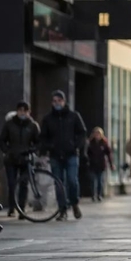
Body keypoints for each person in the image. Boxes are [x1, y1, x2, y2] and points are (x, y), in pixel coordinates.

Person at [40, 90, 87, 221]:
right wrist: (49, 147)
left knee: (72, 180)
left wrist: (76, 146)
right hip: (55, 155)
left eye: (59, 101)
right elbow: (43, 137)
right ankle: (62, 209)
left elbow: (82, 133)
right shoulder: (48, 119)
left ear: (64, 101)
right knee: (59, 183)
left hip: (71, 154)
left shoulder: (74, 116)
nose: (57, 103)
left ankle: (74, 203)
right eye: (54, 101)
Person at [0, 101, 40, 217]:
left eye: (25, 110)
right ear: (17, 111)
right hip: (11, 159)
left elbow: (38, 142)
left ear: (28, 112)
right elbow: (1, 140)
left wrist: (32, 150)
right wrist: (7, 151)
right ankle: (12, 207)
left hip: (26, 158)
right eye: (20, 110)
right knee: (12, 184)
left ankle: (21, 208)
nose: (22, 113)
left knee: (24, 184)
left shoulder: (32, 125)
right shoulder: (9, 124)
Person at [87, 127, 115, 202]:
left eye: (98, 134)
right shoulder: (90, 143)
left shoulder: (104, 143)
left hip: (101, 165)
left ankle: (99, 195)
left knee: (100, 181)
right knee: (93, 181)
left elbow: (109, 154)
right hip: (92, 165)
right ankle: (93, 195)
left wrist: (111, 164)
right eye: (95, 134)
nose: (97, 135)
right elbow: (86, 154)